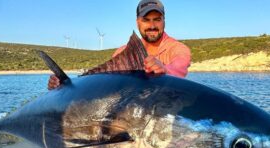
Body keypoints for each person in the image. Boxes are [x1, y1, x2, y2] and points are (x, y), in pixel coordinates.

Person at [48, 0, 191, 90]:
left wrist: (165, 69)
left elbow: (179, 67)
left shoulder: (178, 48)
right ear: (137, 22)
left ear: (164, 21)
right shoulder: (122, 52)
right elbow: (105, 84)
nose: (152, 25)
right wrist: (65, 88)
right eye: (146, 20)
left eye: (157, 20)